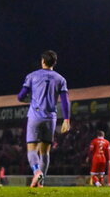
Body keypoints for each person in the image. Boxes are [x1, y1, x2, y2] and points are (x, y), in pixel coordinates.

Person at [17, 50, 71, 188]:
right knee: (45, 152)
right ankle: (41, 182)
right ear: (55, 63)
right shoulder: (61, 79)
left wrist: (31, 99)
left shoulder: (32, 76)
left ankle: (37, 172)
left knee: (32, 149)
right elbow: (65, 101)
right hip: (50, 118)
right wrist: (66, 119)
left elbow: (21, 96)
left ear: (42, 61)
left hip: (35, 116)